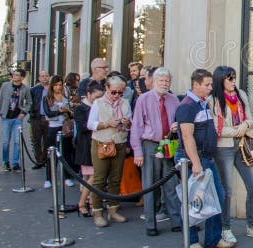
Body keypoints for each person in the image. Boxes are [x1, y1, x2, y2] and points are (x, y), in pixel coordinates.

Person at [211, 66, 253, 243]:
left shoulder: (241, 95)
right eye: (229, 79)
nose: (233, 82)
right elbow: (217, 128)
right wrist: (241, 130)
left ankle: (252, 226)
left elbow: (250, 119)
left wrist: (245, 127)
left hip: (242, 148)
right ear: (220, 80)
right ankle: (225, 228)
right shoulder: (213, 100)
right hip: (223, 148)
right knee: (227, 191)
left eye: (234, 78)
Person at [175, 69, 233, 248]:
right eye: (207, 84)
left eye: (210, 84)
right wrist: (196, 163)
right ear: (196, 84)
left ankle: (213, 238)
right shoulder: (187, 106)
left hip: (207, 157)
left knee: (217, 196)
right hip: (194, 159)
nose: (210, 88)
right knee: (193, 199)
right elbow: (187, 137)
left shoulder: (204, 104)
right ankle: (192, 240)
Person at [130, 67, 182, 236]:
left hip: (169, 144)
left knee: (171, 184)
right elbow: (136, 126)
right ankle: (151, 224)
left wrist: (177, 126)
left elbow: (180, 120)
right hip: (150, 145)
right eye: (161, 80)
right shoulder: (143, 99)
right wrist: (137, 152)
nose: (164, 83)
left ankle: (176, 220)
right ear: (153, 82)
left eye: (167, 81)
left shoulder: (174, 100)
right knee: (150, 185)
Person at [86, 74, 132, 227]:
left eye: (120, 92)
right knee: (99, 179)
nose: (117, 95)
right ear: (107, 88)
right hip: (102, 142)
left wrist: (126, 123)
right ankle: (97, 212)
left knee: (115, 178)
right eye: (114, 92)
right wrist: (106, 124)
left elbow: (130, 123)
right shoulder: (98, 103)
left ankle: (113, 210)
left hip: (119, 142)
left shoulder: (125, 103)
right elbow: (90, 124)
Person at [74, 80, 104, 217]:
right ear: (88, 94)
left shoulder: (99, 106)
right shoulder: (80, 108)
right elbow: (82, 126)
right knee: (93, 176)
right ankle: (82, 203)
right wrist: (98, 125)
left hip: (97, 143)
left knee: (94, 176)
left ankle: (91, 202)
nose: (98, 100)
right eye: (96, 97)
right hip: (86, 145)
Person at [0, 70, 32, 171]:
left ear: (22, 78)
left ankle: (15, 163)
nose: (14, 76)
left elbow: (29, 102)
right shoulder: (5, 85)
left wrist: (23, 113)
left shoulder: (25, 88)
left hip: (17, 119)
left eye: (17, 75)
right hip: (6, 117)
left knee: (17, 142)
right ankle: (6, 162)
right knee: (5, 142)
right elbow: (0, 99)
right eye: (14, 74)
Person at [43, 75, 73, 188]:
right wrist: (60, 111)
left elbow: (70, 114)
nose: (58, 87)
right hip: (53, 127)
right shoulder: (47, 98)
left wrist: (68, 111)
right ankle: (48, 178)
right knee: (51, 154)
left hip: (64, 126)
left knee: (66, 153)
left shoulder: (65, 96)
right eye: (56, 85)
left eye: (60, 85)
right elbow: (48, 114)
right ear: (52, 86)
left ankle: (68, 177)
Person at [29, 70, 51, 168]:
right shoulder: (34, 90)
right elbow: (30, 102)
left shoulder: (53, 89)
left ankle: (45, 159)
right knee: (36, 140)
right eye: (42, 76)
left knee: (47, 140)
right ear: (39, 78)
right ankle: (38, 161)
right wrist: (31, 113)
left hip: (49, 118)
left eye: (46, 76)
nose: (45, 78)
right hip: (37, 118)